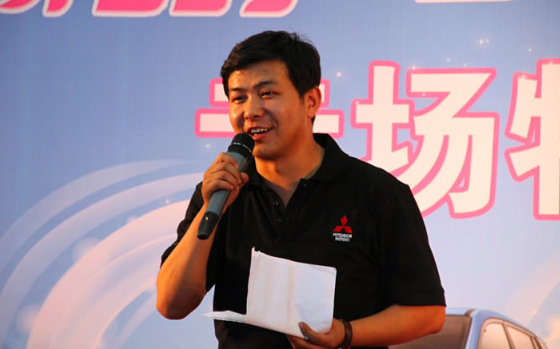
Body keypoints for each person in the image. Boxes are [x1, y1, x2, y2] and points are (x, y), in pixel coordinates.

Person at [156, 30, 446, 348]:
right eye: (238, 98)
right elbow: (172, 305)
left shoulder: (377, 192)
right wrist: (210, 210)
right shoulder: (219, 192)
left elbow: (428, 313)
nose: (250, 111)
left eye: (267, 93)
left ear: (311, 101)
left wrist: (345, 334)